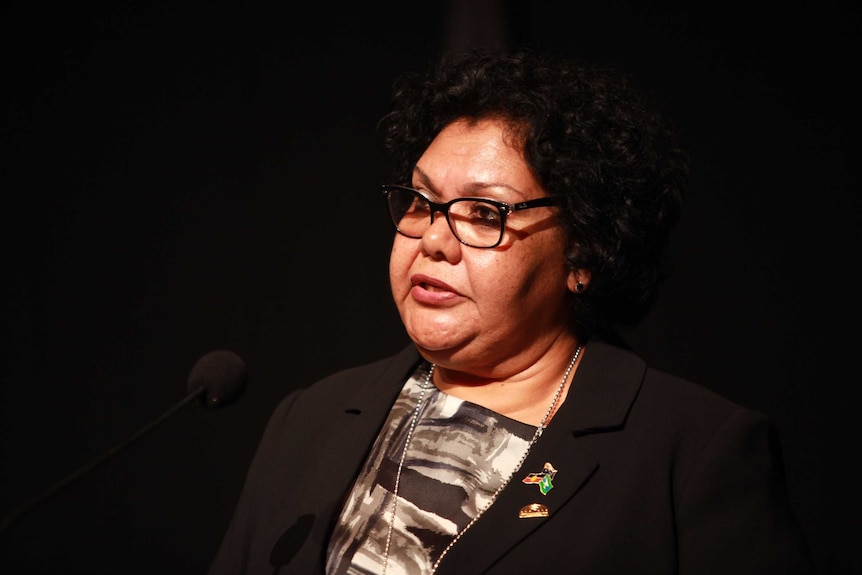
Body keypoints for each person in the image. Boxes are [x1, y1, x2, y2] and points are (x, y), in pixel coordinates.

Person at [207, 47, 815, 574]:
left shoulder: (692, 455)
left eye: (483, 213)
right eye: (421, 202)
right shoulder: (308, 419)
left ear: (583, 253)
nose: (434, 240)